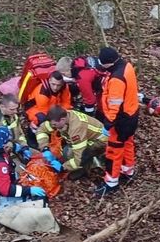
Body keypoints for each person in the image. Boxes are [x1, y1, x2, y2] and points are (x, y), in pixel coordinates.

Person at [0, 126, 47, 220]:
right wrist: (29, 190)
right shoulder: (0, 164)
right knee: (31, 202)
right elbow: (6, 190)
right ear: (5, 143)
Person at [96, 46, 140, 195]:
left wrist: (108, 124)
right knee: (128, 144)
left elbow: (115, 104)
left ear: (108, 63)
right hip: (131, 115)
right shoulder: (126, 66)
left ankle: (111, 182)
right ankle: (128, 171)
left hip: (120, 120)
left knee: (114, 151)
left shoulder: (116, 79)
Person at [44, 105, 110, 175]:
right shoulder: (66, 115)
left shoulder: (76, 128)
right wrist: (44, 148)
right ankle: (90, 161)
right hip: (89, 136)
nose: (54, 126)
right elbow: (43, 129)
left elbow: (79, 156)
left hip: (100, 141)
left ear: (62, 120)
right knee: (67, 151)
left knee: (70, 154)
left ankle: (84, 169)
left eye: (55, 124)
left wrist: (63, 167)